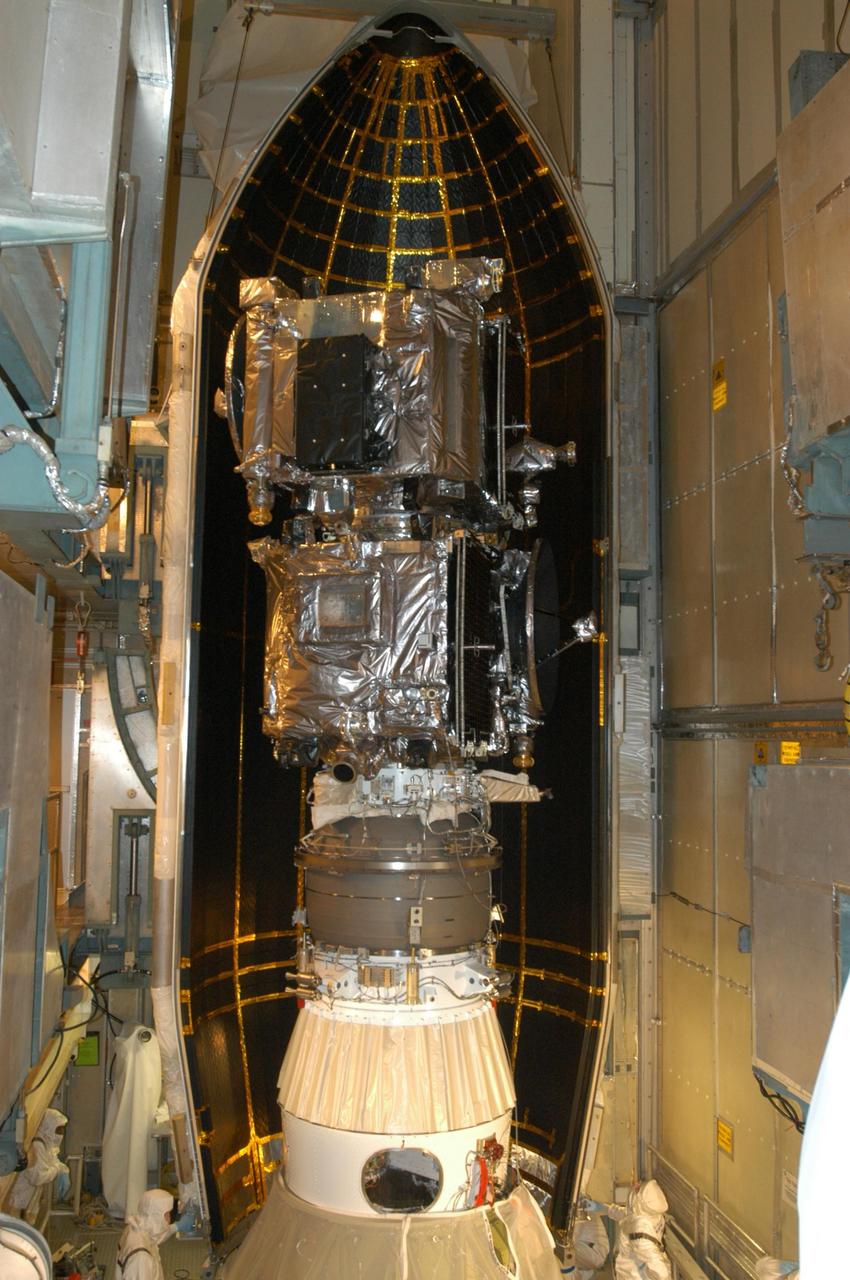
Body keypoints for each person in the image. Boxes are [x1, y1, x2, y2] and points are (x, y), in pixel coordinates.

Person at [606, 1180, 672, 1280]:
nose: (636, 1184)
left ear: (640, 1202)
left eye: (638, 1189)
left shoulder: (639, 1231)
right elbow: (627, 1216)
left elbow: (662, 1272)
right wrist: (603, 1208)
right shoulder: (652, 1215)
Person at [9, 1109, 70, 1213]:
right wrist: (57, 1169)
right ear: (48, 1127)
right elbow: (38, 1177)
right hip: (19, 1202)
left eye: (62, 1130)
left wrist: (63, 1169)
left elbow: (52, 1158)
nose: (60, 1134)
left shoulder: (47, 1143)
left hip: (28, 1201)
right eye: (58, 1130)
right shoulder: (37, 1145)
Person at [116, 1188, 177, 1279]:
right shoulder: (141, 1258)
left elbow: (154, 1239)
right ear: (155, 1216)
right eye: (166, 1215)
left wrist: (176, 1227)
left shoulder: (134, 1228)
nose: (169, 1220)